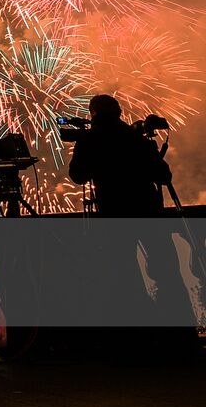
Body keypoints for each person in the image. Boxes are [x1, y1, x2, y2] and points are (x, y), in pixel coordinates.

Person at [67, 94, 192, 332]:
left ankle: (134, 332)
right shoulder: (135, 137)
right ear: (119, 113)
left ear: (93, 114)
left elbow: (77, 176)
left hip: (115, 212)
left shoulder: (90, 140)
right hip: (148, 209)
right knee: (167, 270)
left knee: (122, 271)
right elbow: (163, 176)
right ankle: (180, 330)